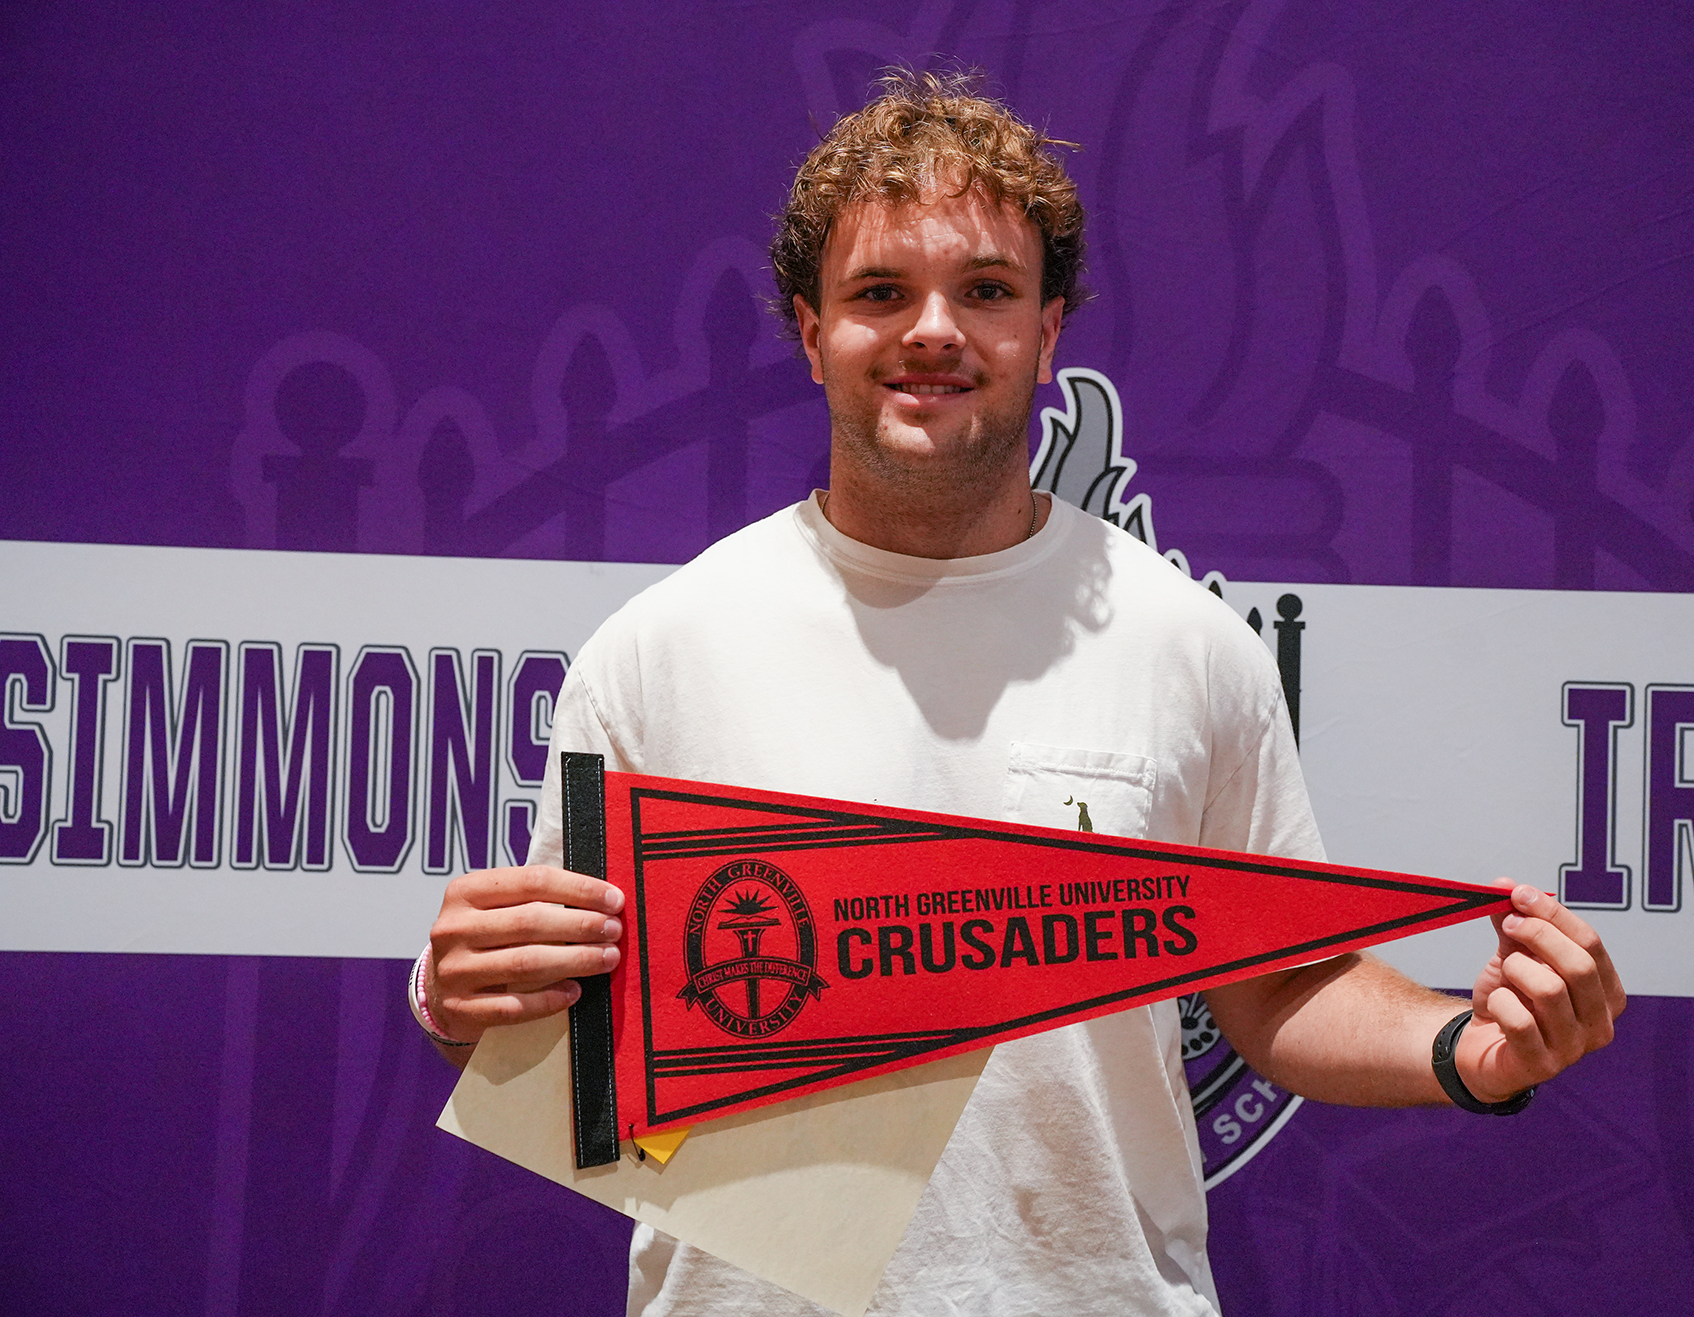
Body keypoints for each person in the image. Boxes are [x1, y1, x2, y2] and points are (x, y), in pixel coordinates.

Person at [412, 69, 1624, 1315]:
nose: (932, 330)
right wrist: (461, 1003)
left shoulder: (1185, 645)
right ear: (809, 328)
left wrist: (1460, 1051)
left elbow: (1276, 989)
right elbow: (562, 1033)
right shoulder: (662, 650)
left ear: (1046, 334)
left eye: (984, 292)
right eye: (880, 293)